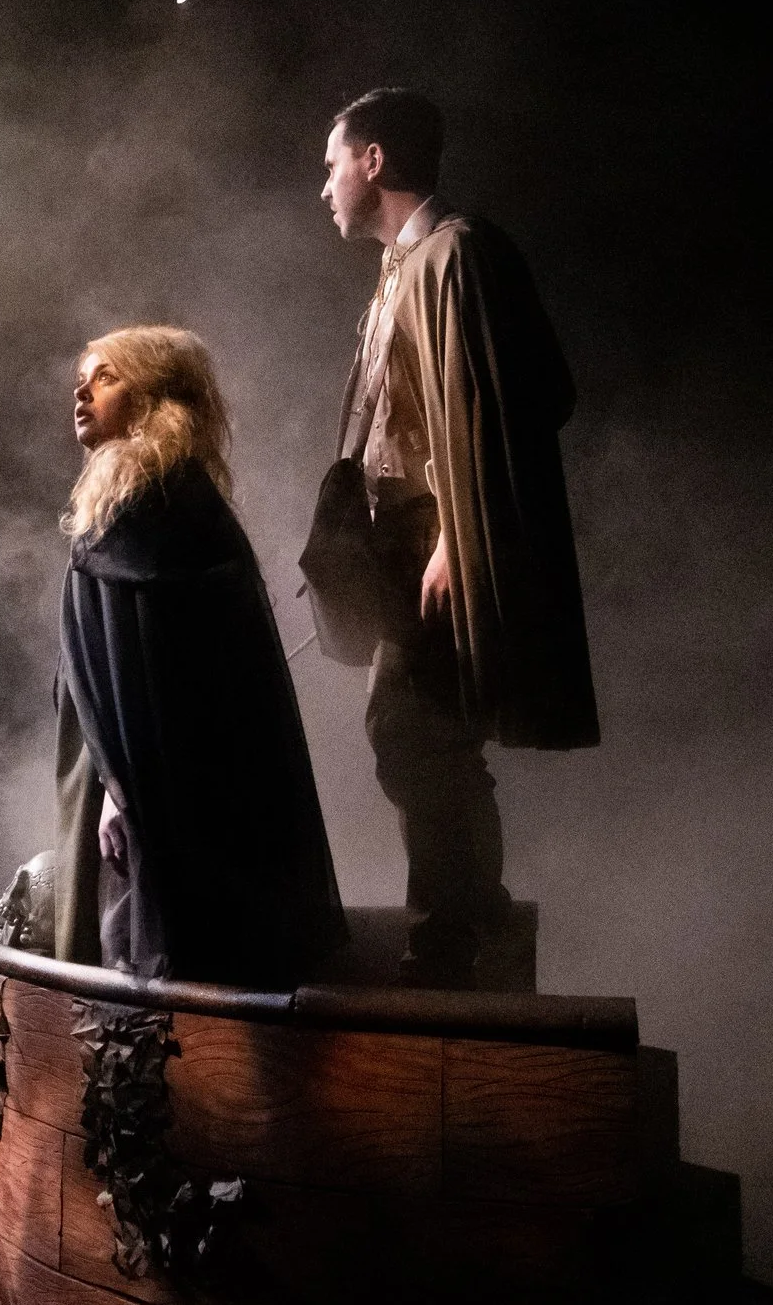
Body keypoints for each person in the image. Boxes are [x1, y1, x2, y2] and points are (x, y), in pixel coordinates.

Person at [316, 88, 599, 988]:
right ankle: (471, 918)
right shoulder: (402, 268)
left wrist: (454, 532)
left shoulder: (459, 253)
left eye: (333, 164)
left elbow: (521, 398)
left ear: (374, 161)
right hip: (398, 540)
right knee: (419, 731)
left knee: (412, 727)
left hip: (435, 537)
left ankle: (460, 931)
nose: (323, 186)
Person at [50, 325, 346, 986]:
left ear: (154, 400)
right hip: (131, 776)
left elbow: (160, 679)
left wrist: (117, 786)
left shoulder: (155, 507)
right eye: (84, 375)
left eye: (107, 376)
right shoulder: (139, 501)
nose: (82, 389)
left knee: (159, 965)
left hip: (162, 789)